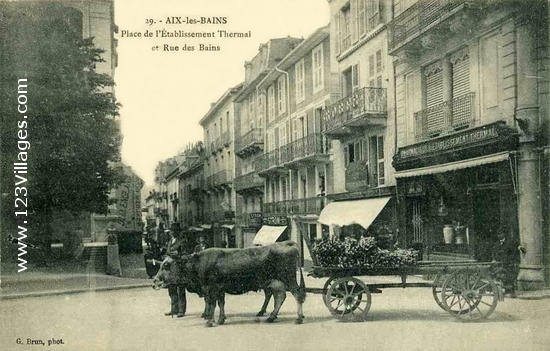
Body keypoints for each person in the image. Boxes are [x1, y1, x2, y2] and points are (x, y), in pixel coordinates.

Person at [164, 222, 186, 318]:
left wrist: (178, 255)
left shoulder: (182, 241)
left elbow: (185, 254)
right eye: (171, 231)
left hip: (178, 268)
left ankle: (181, 310)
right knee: (171, 289)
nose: (171, 232)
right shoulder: (170, 242)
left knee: (180, 290)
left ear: (177, 232)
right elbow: (167, 253)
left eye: (173, 231)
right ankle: (174, 309)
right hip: (170, 268)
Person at [492, 231, 522, 298]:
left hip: (508, 263)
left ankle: (512, 292)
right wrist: (494, 259)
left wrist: (510, 260)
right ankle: (506, 290)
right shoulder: (497, 243)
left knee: (510, 277)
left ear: (504, 234)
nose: (499, 235)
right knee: (502, 277)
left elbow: (513, 252)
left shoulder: (509, 243)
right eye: (498, 234)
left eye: (501, 234)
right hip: (500, 262)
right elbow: (494, 252)